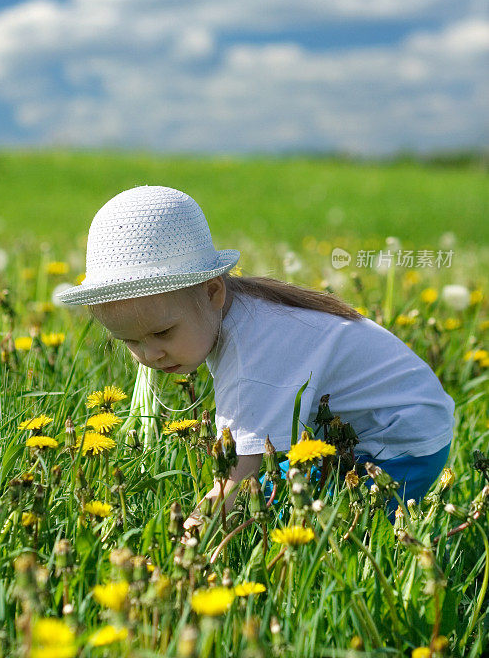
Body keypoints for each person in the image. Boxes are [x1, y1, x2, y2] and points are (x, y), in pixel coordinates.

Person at [57, 185, 455, 534]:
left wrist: (188, 536)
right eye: (130, 341)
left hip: (402, 444)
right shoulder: (242, 310)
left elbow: (237, 476)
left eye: (162, 333)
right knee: (274, 498)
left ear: (213, 293)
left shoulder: (253, 355)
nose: (150, 355)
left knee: (322, 534)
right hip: (385, 424)